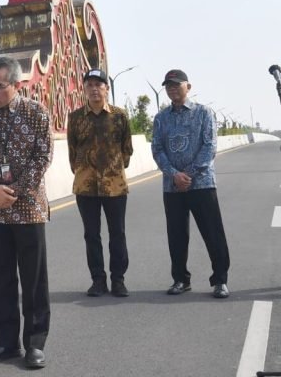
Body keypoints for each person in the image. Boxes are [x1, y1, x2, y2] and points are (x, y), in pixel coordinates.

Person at [0, 55, 52, 370]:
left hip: (28, 209)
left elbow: (42, 157)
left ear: (16, 84)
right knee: (0, 280)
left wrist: (12, 192)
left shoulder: (36, 113)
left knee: (33, 281)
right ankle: (6, 342)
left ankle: (35, 344)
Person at [151, 69, 231, 299]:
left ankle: (220, 280)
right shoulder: (161, 118)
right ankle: (180, 279)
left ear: (188, 86)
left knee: (213, 233)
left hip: (202, 184)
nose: (172, 89)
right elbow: (157, 149)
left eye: (176, 84)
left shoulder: (204, 113)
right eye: (168, 86)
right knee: (176, 235)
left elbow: (209, 147)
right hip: (172, 186)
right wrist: (174, 175)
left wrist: (189, 174)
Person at [67, 68, 134, 298]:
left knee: (118, 234)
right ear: (84, 89)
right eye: (90, 85)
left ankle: (118, 280)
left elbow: (127, 150)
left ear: (107, 88)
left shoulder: (119, 116)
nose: (94, 89)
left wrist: (113, 170)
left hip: (115, 186)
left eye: (99, 84)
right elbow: (72, 151)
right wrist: (83, 171)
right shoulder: (75, 118)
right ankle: (98, 280)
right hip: (85, 187)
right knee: (91, 235)